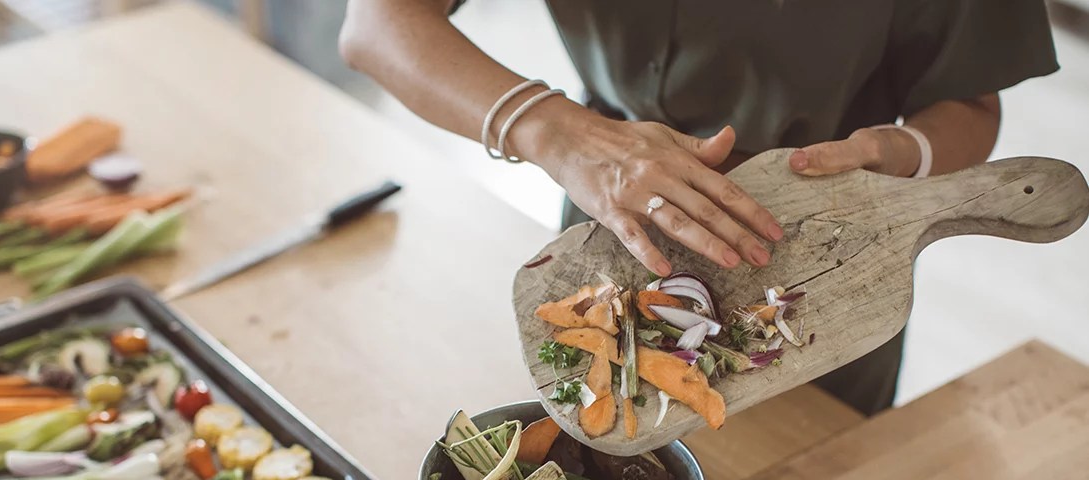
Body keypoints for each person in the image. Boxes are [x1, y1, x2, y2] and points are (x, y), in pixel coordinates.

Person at [339, 0, 1058, 415]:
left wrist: (896, 155)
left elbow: (968, 98)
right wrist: (561, 134)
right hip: (612, 226)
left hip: (830, 261)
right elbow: (377, 22)